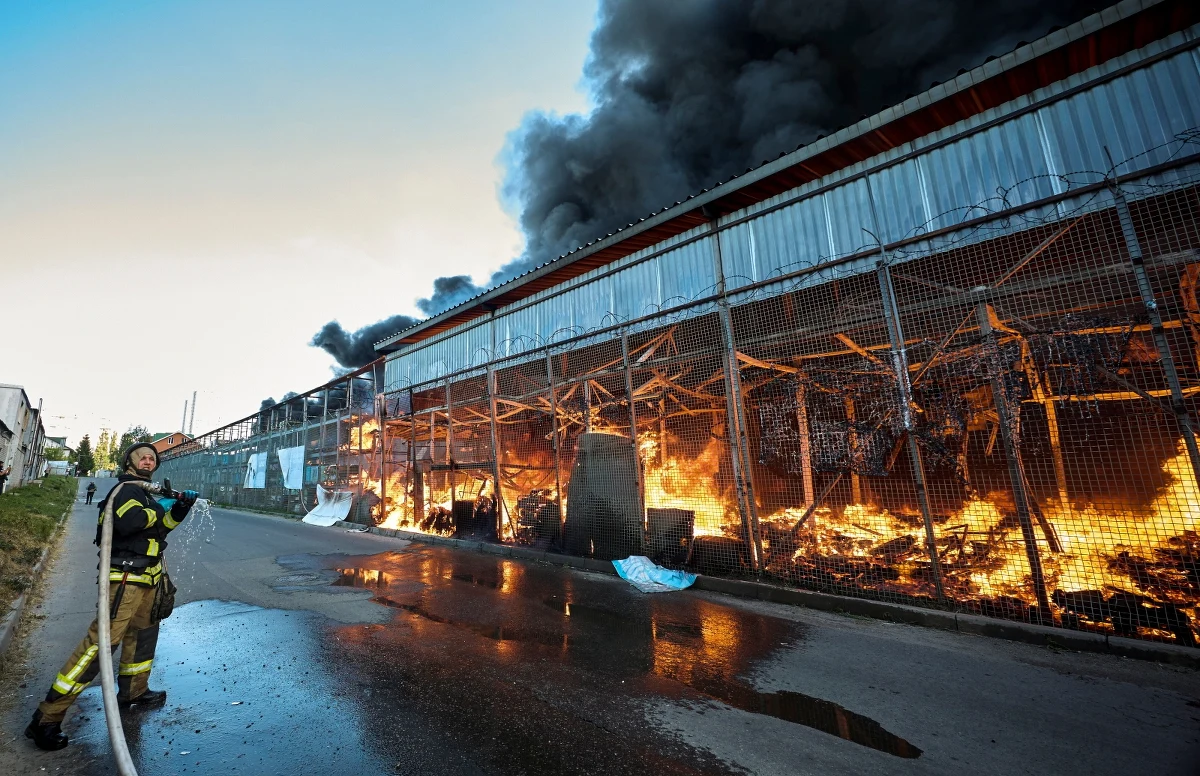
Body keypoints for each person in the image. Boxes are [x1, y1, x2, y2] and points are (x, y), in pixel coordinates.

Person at [24, 443, 197, 751]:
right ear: (129, 462)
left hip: (148, 578)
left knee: (142, 637)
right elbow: (132, 523)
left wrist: (180, 509)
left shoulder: (144, 495)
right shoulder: (126, 491)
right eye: (142, 456)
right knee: (101, 645)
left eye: (152, 458)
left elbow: (160, 529)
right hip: (126, 579)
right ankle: (46, 718)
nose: (148, 460)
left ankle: (133, 693)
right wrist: (164, 504)